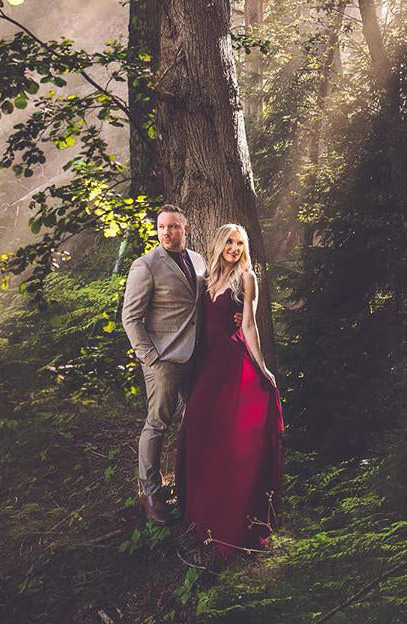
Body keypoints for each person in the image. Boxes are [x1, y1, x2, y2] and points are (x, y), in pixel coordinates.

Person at [176, 223, 284, 561]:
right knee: (199, 429)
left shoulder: (246, 279)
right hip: (206, 364)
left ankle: (233, 522)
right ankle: (200, 516)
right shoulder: (206, 278)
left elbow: (249, 324)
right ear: (220, 243)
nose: (234, 249)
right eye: (230, 242)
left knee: (232, 436)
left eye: (240, 244)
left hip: (233, 363)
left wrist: (262, 366)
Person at [121, 205, 206, 525]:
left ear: (187, 229)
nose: (166, 233)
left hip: (197, 356)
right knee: (157, 424)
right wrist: (149, 357)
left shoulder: (198, 261)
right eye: (161, 227)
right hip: (164, 360)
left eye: (173, 227)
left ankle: (190, 483)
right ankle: (151, 493)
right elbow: (130, 318)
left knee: (193, 419)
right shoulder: (145, 265)